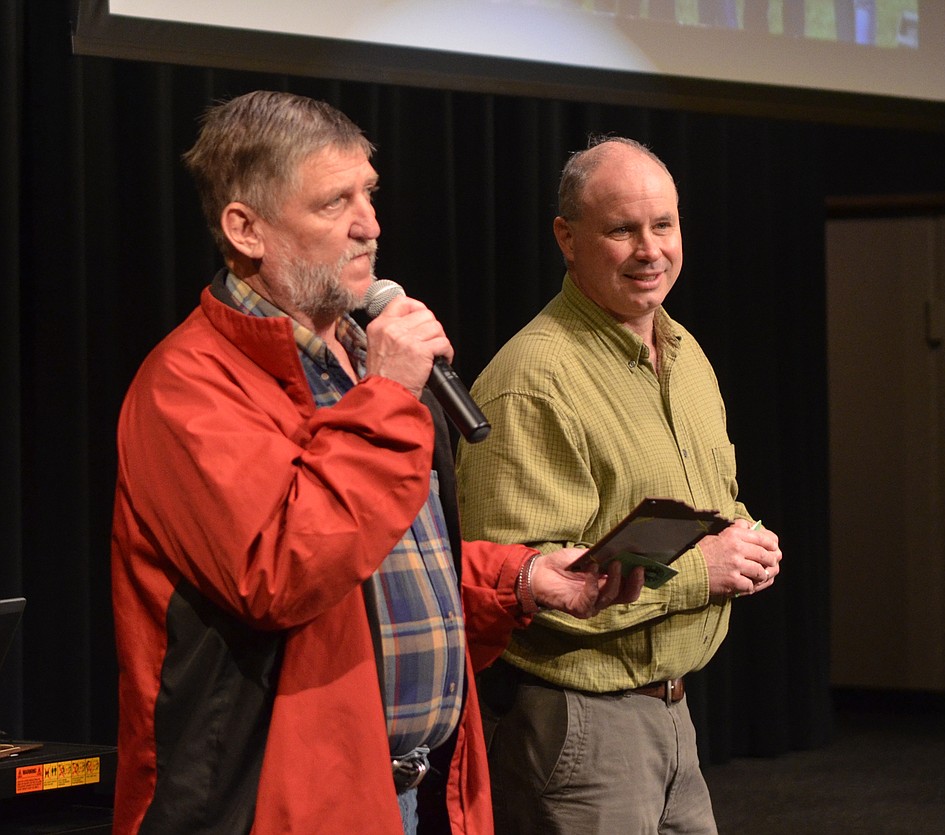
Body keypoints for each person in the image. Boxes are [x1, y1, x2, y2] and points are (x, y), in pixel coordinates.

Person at [109, 91, 642, 835]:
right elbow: (284, 568)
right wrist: (390, 394)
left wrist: (517, 581)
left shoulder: (366, 361)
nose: (370, 226)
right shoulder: (189, 385)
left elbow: (386, 567)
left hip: (425, 790)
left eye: (370, 194)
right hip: (281, 807)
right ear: (245, 228)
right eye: (336, 203)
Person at [455, 136, 783, 834]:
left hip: (672, 713)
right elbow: (528, 585)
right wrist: (702, 571)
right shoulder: (532, 379)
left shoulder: (684, 352)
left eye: (663, 225)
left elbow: (704, 502)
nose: (650, 249)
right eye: (622, 229)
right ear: (567, 239)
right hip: (578, 725)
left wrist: (744, 535)